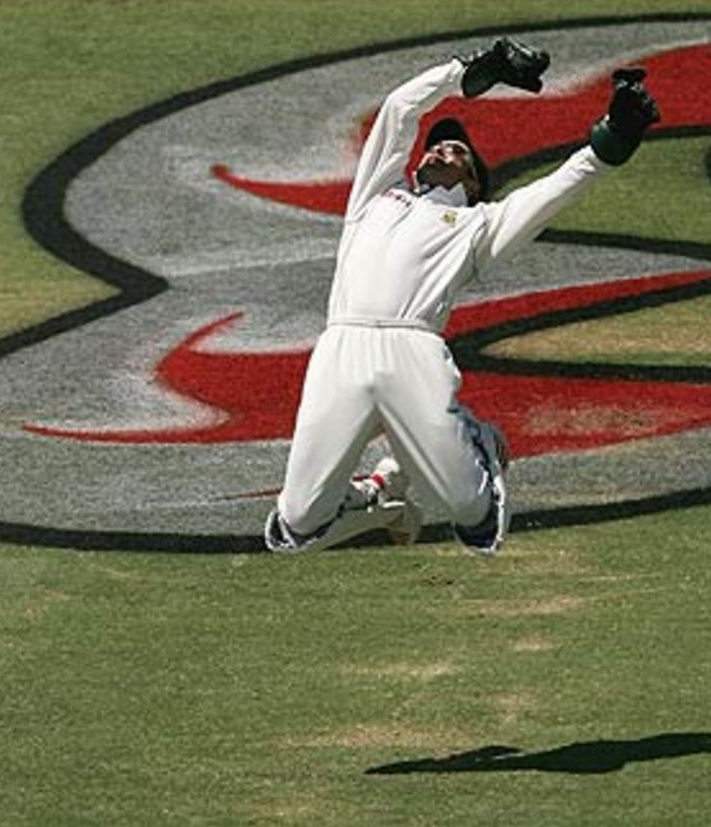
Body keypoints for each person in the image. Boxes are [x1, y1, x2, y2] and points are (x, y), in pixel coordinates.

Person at [264, 38, 659, 555]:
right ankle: (379, 493)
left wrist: (610, 142)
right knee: (293, 527)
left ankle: (482, 441)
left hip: (412, 352)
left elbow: (553, 192)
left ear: (474, 182)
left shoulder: (478, 225)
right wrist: (471, 71)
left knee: (474, 518)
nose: (438, 150)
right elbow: (400, 108)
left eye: (455, 151)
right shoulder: (376, 196)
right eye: (436, 145)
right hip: (339, 346)